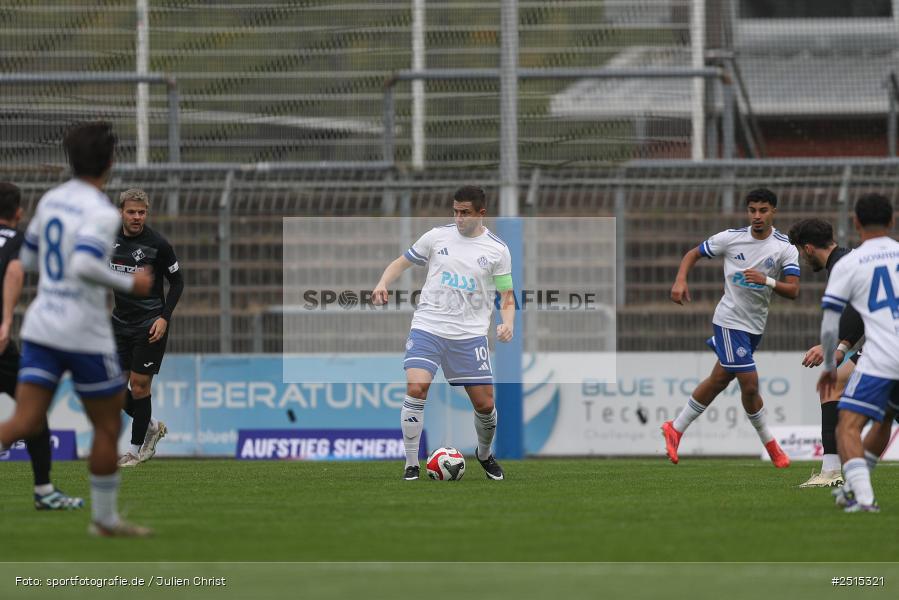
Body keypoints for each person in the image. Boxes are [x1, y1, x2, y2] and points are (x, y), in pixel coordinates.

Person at [0, 122, 153, 536]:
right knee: (108, 427)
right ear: (110, 161)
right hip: (83, 333)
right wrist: (131, 282)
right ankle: (104, 520)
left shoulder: (51, 200)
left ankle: (105, 520)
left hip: (42, 325)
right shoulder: (101, 212)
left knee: (22, 421)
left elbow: (24, 260)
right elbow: (84, 264)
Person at [373, 185, 515, 481]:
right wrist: (382, 283)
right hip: (429, 327)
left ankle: (485, 455)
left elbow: (507, 295)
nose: (459, 217)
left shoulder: (497, 250)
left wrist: (507, 322)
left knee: (485, 404)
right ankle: (411, 464)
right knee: (416, 388)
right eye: (455, 211)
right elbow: (401, 262)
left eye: (465, 213)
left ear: (481, 213)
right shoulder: (436, 237)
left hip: (470, 334)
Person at [664, 188, 799, 467]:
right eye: (752, 210)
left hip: (754, 326)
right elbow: (693, 254)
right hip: (728, 320)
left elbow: (793, 290)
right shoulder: (731, 238)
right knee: (749, 384)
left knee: (718, 381)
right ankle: (772, 446)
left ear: (774, 211)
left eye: (763, 210)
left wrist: (767, 281)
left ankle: (674, 428)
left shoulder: (785, 247)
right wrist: (680, 280)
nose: (757, 216)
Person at [0, 182, 83, 510]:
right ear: (19, 212)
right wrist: (6, 321)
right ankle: (44, 490)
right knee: (32, 413)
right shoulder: (17, 240)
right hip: (1, 343)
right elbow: (16, 271)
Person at [817, 193, 899, 513]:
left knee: (847, 425)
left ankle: (863, 499)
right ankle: (851, 489)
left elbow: (829, 324)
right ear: (892, 221)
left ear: (856, 222)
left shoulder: (849, 263)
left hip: (882, 358)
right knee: (885, 419)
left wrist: (828, 364)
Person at [788, 218, 865, 487]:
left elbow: (855, 311)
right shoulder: (850, 258)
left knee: (832, 386)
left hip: (889, 343)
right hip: (884, 340)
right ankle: (831, 471)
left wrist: (832, 347)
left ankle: (832, 472)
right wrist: (842, 348)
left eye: (800, 251)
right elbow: (862, 309)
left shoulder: (842, 266)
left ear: (808, 248)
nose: (802, 258)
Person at [110, 188, 183, 467]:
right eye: (131, 211)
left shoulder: (158, 245)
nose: (137, 217)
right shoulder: (109, 237)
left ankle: (134, 450)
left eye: (141, 212)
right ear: (121, 212)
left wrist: (164, 317)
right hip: (119, 323)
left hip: (149, 324)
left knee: (139, 388)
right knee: (112, 389)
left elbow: (177, 282)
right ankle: (151, 425)